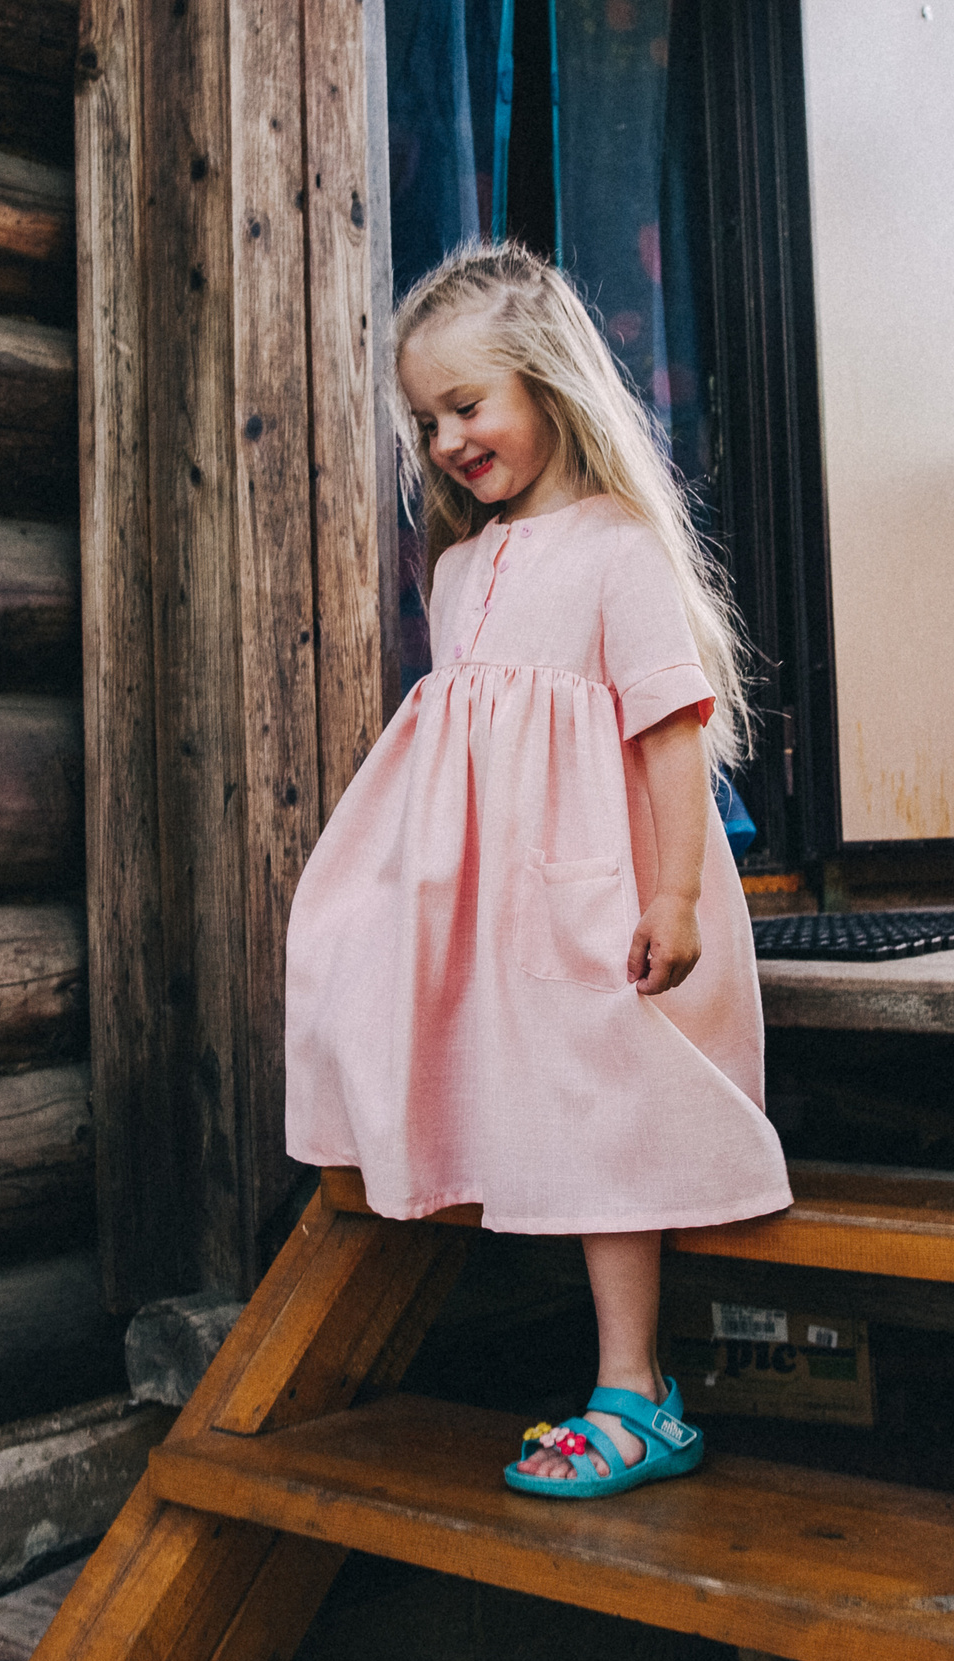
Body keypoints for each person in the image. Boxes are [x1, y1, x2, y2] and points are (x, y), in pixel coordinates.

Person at [284, 242, 791, 1498]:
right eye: (427, 420)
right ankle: (613, 1374)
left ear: (547, 385)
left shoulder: (616, 547)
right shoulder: (457, 570)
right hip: (485, 905)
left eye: (468, 405)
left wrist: (672, 895)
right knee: (369, 978)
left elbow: (668, 735)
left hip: (593, 894)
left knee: (602, 1117)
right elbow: (461, 751)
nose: (448, 438)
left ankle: (635, 1390)